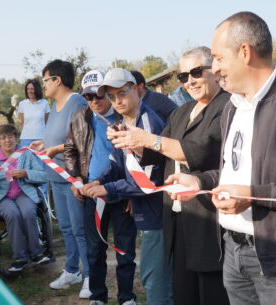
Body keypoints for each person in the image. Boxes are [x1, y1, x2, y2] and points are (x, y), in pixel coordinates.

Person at [166, 12, 276, 305]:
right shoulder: (233, 107)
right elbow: (233, 175)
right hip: (232, 252)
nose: (215, 68)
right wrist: (198, 181)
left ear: (245, 52)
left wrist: (254, 196)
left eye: (218, 58)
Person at [109, 47, 231, 305]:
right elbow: (157, 154)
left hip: (209, 218)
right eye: (183, 76)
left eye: (197, 72)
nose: (190, 81)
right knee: (183, 290)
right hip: (177, 219)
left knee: (210, 292)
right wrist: (129, 140)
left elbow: (199, 153)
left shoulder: (228, 107)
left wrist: (148, 139)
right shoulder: (182, 112)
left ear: (215, 71)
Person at [82, 68, 172, 305]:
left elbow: (148, 181)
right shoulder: (123, 123)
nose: (117, 101)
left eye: (121, 93)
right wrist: (98, 181)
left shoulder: (147, 123)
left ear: (136, 88)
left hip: (158, 214)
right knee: (153, 277)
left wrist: (108, 189)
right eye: (111, 97)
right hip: (146, 213)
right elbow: (115, 163)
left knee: (156, 280)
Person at [63, 70, 137, 305]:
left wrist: (132, 192)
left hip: (121, 191)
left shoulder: (124, 117)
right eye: (88, 96)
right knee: (95, 250)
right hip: (92, 193)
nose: (94, 101)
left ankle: (126, 297)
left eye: (98, 95)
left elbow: (134, 159)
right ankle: (98, 296)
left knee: (125, 250)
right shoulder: (79, 118)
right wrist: (76, 179)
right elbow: (69, 150)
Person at [29, 59, 90, 298]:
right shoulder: (53, 106)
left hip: (72, 178)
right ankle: (72, 270)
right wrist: (44, 144)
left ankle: (90, 277)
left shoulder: (77, 103)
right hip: (55, 176)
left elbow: (82, 139)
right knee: (65, 227)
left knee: (80, 229)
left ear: (57, 80)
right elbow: (58, 137)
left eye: (45, 80)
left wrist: (55, 149)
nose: (43, 85)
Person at [0, 124, 51, 273]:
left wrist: (26, 173)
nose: (7, 141)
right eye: (3, 138)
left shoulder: (26, 154)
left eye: (10, 137)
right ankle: (20, 257)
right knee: (13, 214)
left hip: (23, 193)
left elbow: (43, 175)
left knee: (29, 212)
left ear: (16, 139)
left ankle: (36, 254)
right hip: (1, 196)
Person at [18, 79, 50, 147]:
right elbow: (22, 123)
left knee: (41, 158)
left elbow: (47, 122)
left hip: (41, 138)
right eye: (28, 89)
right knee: (26, 157)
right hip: (25, 139)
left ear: (37, 89)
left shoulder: (44, 103)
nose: (29, 91)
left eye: (32, 89)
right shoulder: (22, 104)